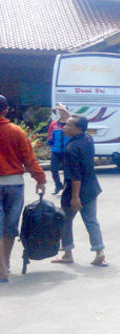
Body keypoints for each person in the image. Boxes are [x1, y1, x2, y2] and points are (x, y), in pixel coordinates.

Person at [0, 94, 47, 282]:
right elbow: (29, 158)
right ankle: (6, 264)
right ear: (6, 110)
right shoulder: (16, 131)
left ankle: (2, 268)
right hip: (14, 183)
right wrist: (40, 179)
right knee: (9, 227)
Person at [51, 115, 108, 266]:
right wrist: (66, 113)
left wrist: (75, 197)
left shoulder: (71, 148)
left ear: (78, 129)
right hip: (91, 188)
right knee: (91, 220)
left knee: (65, 220)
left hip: (75, 190)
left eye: (69, 125)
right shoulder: (88, 139)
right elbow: (79, 122)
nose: (65, 127)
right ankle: (100, 251)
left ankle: (67, 253)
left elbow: (76, 175)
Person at [47, 105, 70, 195]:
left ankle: (66, 187)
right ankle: (58, 185)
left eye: (63, 111)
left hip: (67, 151)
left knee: (67, 171)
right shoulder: (54, 124)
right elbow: (50, 137)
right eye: (59, 111)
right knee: (53, 170)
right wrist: (49, 148)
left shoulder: (70, 124)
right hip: (56, 150)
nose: (61, 113)